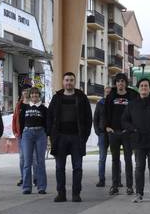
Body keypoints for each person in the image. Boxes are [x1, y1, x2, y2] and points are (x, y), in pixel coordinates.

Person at [48, 72, 92, 203]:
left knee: (77, 168)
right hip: (60, 138)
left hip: (76, 138)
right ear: (63, 82)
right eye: (67, 80)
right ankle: (61, 194)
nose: (69, 82)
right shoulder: (57, 98)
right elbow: (50, 117)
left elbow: (89, 118)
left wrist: (84, 136)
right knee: (59, 167)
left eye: (71, 80)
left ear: (75, 81)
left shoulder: (81, 97)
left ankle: (76, 194)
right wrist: (51, 134)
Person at [103, 73, 139, 196]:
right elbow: (105, 113)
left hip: (127, 133)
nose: (120, 83)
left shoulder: (133, 95)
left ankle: (129, 186)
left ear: (126, 83)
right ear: (116, 83)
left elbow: (136, 113)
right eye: (118, 81)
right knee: (115, 160)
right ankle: (115, 185)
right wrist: (106, 127)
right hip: (113, 132)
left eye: (123, 81)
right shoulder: (111, 96)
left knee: (128, 160)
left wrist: (131, 128)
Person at [19, 87, 48, 195]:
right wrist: (21, 134)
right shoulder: (25, 108)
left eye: (36, 95)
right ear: (30, 96)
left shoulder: (44, 109)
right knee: (27, 161)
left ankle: (41, 187)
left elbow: (47, 123)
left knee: (40, 161)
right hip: (27, 134)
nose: (34, 97)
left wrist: (47, 134)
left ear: (39, 96)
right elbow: (21, 122)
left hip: (40, 134)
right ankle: (26, 187)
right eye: (32, 95)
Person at [93, 86, 112, 187]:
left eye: (110, 92)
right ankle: (101, 179)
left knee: (116, 158)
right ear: (104, 93)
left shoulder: (115, 103)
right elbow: (95, 118)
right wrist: (97, 131)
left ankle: (117, 180)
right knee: (102, 158)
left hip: (113, 133)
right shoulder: (100, 103)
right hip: (102, 134)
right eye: (106, 92)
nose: (108, 93)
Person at [13, 87, 30, 187]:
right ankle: (24, 178)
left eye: (27, 91)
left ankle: (36, 178)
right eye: (24, 91)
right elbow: (15, 118)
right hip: (21, 135)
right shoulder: (19, 105)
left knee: (34, 159)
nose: (25, 93)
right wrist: (15, 131)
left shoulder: (34, 103)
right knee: (22, 158)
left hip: (33, 135)